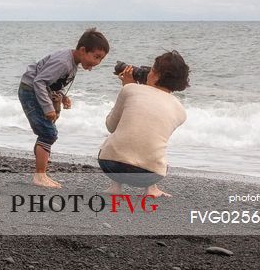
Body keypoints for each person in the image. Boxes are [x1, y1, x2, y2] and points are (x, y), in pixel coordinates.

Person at [18, 28, 109, 188]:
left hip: (37, 90)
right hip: (30, 90)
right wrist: (48, 109)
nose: (97, 62)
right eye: (96, 57)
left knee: (47, 132)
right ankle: (40, 176)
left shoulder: (73, 62)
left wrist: (63, 96)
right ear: (82, 50)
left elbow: (53, 82)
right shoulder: (63, 62)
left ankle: (41, 172)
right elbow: (39, 81)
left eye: (101, 59)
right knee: (48, 133)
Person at [98, 50, 189, 198]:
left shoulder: (130, 90)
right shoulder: (181, 111)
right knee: (152, 143)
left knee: (120, 137)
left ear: (156, 75)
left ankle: (115, 187)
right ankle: (151, 189)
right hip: (149, 175)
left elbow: (111, 126)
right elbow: (149, 134)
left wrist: (127, 87)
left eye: (152, 69)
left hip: (111, 166)